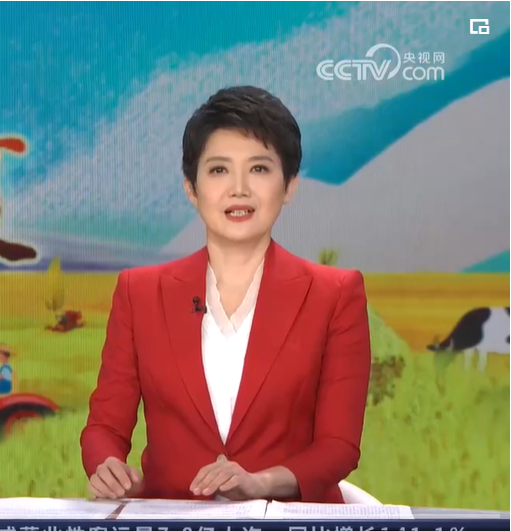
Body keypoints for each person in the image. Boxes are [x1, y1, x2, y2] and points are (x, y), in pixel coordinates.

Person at [81, 86, 372, 504]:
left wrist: (260, 483)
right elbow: (104, 428)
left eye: (259, 169)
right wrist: (107, 465)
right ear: (191, 188)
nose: (239, 189)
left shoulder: (335, 294)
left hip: (287, 526)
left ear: (289, 185)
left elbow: (338, 445)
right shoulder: (139, 292)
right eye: (218, 170)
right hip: (174, 523)